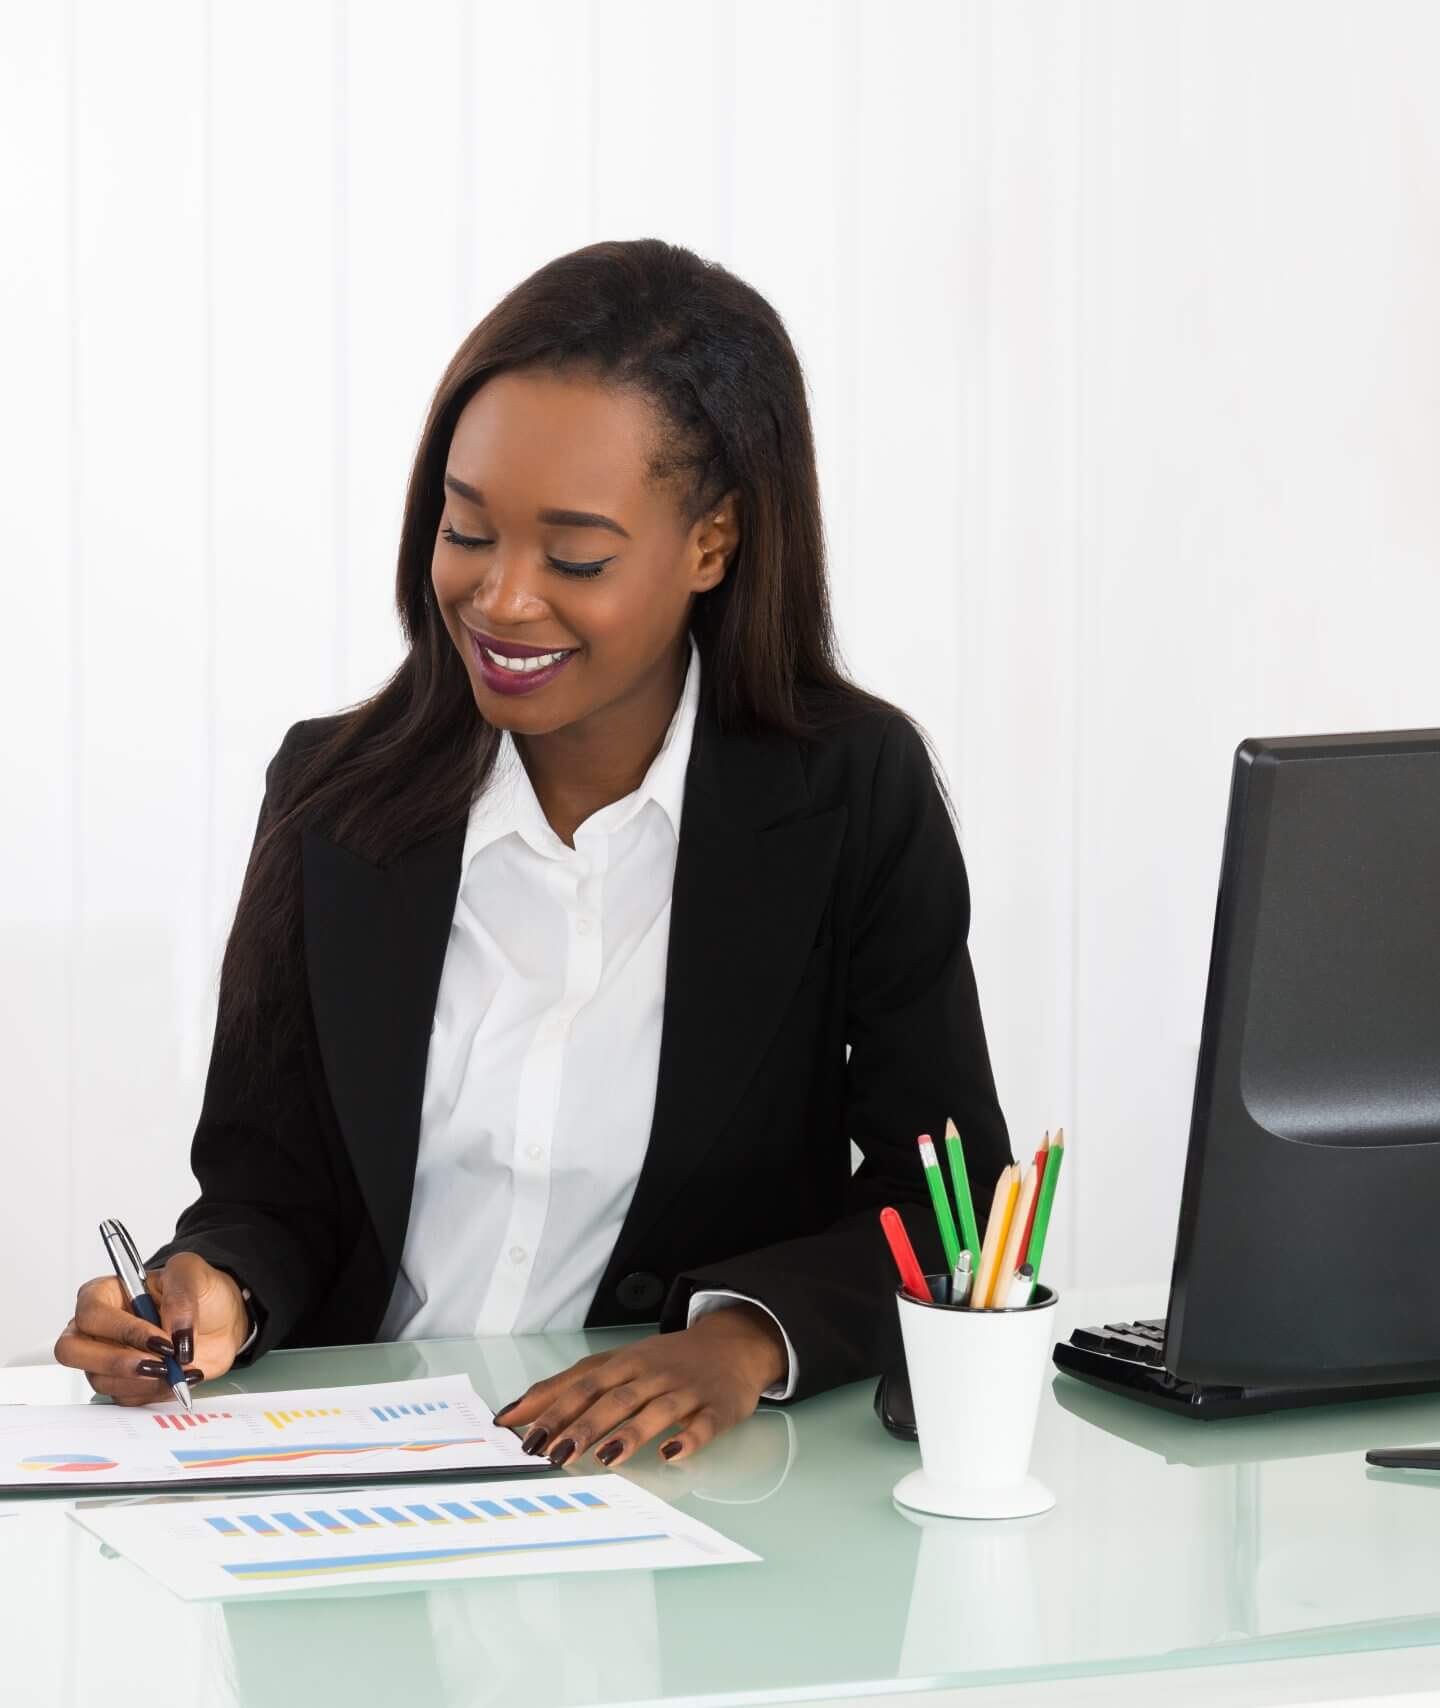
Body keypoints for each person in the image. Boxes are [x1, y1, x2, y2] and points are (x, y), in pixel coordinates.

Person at [54, 239, 1014, 1468]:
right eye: (467, 532)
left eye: (576, 558)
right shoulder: (333, 796)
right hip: (361, 1491)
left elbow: (950, 1203)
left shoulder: (847, 796)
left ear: (712, 545)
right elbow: (269, 1186)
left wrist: (734, 1342)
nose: (503, 601)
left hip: (691, 1496)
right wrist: (213, 1283)